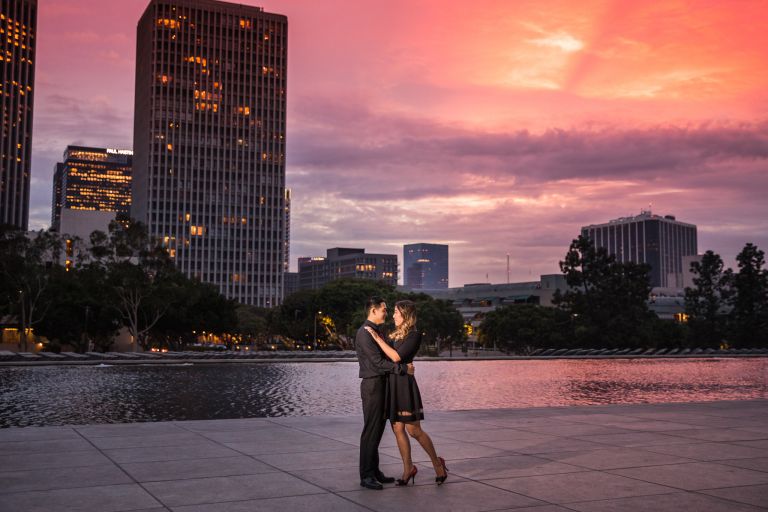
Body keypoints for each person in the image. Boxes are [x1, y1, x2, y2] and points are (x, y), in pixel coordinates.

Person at [364, 299, 448, 486]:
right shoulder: (392, 333)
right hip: (392, 382)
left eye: (396, 312)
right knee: (397, 428)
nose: (392, 315)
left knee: (414, 430)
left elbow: (396, 357)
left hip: (404, 385)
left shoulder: (414, 335)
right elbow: (384, 357)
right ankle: (407, 469)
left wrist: (376, 338)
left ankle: (438, 464)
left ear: (405, 314)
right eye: (392, 311)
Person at [355, 296, 409, 490]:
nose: (386, 312)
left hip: (381, 385)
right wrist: (401, 369)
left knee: (377, 431)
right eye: (384, 309)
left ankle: (374, 471)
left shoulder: (376, 331)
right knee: (371, 431)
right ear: (373, 310)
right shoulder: (364, 333)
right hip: (372, 386)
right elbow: (377, 363)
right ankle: (366, 475)